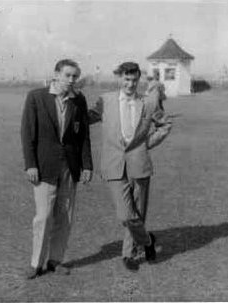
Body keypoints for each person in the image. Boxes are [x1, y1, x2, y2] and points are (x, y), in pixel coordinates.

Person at [88, 62, 172, 271]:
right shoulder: (105, 100)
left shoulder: (149, 102)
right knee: (126, 214)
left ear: (139, 80)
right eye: (126, 79)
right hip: (113, 164)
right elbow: (86, 117)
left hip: (139, 164)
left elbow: (165, 124)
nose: (130, 84)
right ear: (119, 78)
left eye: (134, 80)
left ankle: (129, 254)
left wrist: (147, 143)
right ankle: (147, 241)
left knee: (138, 210)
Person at [21, 59, 93, 279]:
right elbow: (27, 133)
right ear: (56, 75)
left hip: (70, 168)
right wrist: (31, 164)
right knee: (43, 216)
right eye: (67, 75)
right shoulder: (36, 97)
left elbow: (83, 137)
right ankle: (36, 263)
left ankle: (55, 260)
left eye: (75, 77)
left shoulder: (78, 100)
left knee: (65, 215)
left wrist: (87, 165)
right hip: (44, 168)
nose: (71, 80)